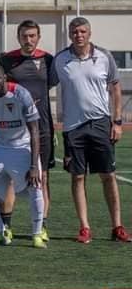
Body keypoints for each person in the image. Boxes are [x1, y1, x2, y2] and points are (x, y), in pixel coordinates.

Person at [50, 17, 131, 243]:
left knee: (108, 176)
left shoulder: (104, 57)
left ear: (89, 33)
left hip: (100, 124)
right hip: (73, 128)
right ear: (69, 34)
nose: (79, 35)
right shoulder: (60, 60)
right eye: (75, 32)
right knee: (77, 177)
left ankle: (117, 226)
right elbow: (43, 83)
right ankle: (85, 227)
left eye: (83, 31)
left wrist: (116, 122)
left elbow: (115, 88)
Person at [0, 64, 46, 248]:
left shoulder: (21, 94)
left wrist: (33, 165)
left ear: (5, 78)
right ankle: (1, 231)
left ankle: (37, 233)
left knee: (35, 187)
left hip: (23, 148)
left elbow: (35, 130)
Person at [0, 20, 55, 242]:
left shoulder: (47, 59)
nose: (28, 40)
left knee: (43, 176)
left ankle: (42, 227)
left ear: (38, 37)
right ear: (18, 37)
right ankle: (6, 227)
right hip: (15, 128)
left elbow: (48, 85)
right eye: (24, 36)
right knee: (11, 177)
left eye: (32, 36)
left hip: (42, 127)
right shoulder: (7, 60)